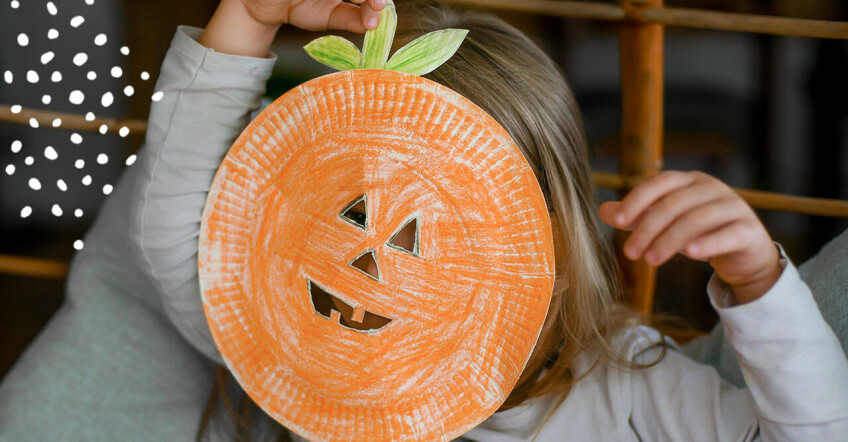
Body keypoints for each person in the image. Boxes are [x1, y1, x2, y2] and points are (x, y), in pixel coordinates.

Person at [0, 0, 846, 440]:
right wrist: (245, 26)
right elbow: (176, 245)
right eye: (356, 211)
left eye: (430, 230)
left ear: (538, 247)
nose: (370, 265)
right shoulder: (312, 359)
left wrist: (762, 283)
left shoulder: (621, 385)